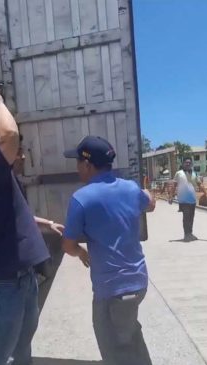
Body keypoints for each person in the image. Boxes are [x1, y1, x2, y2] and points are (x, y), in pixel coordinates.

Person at [61, 135, 156, 365]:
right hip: (139, 282)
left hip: (112, 291)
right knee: (128, 333)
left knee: (114, 348)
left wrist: (82, 253)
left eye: (78, 163)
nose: (77, 168)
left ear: (87, 164)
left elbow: (68, 246)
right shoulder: (131, 188)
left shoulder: (81, 198)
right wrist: (143, 192)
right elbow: (151, 203)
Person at [0, 89, 53, 365]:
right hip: (6, 283)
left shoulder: (11, 179)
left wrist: (47, 223)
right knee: (0, 353)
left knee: (22, 349)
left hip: (23, 280)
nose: (24, 157)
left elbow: (20, 215)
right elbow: (8, 135)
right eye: (21, 153)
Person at [171, 157, 207, 241]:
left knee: (191, 218)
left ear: (191, 164)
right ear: (183, 164)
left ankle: (190, 233)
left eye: (189, 163)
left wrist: (206, 193)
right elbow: (174, 185)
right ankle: (186, 234)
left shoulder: (195, 174)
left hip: (192, 200)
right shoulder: (178, 173)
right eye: (186, 162)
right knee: (186, 217)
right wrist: (171, 196)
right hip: (183, 200)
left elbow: (200, 184)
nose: (188, 164)